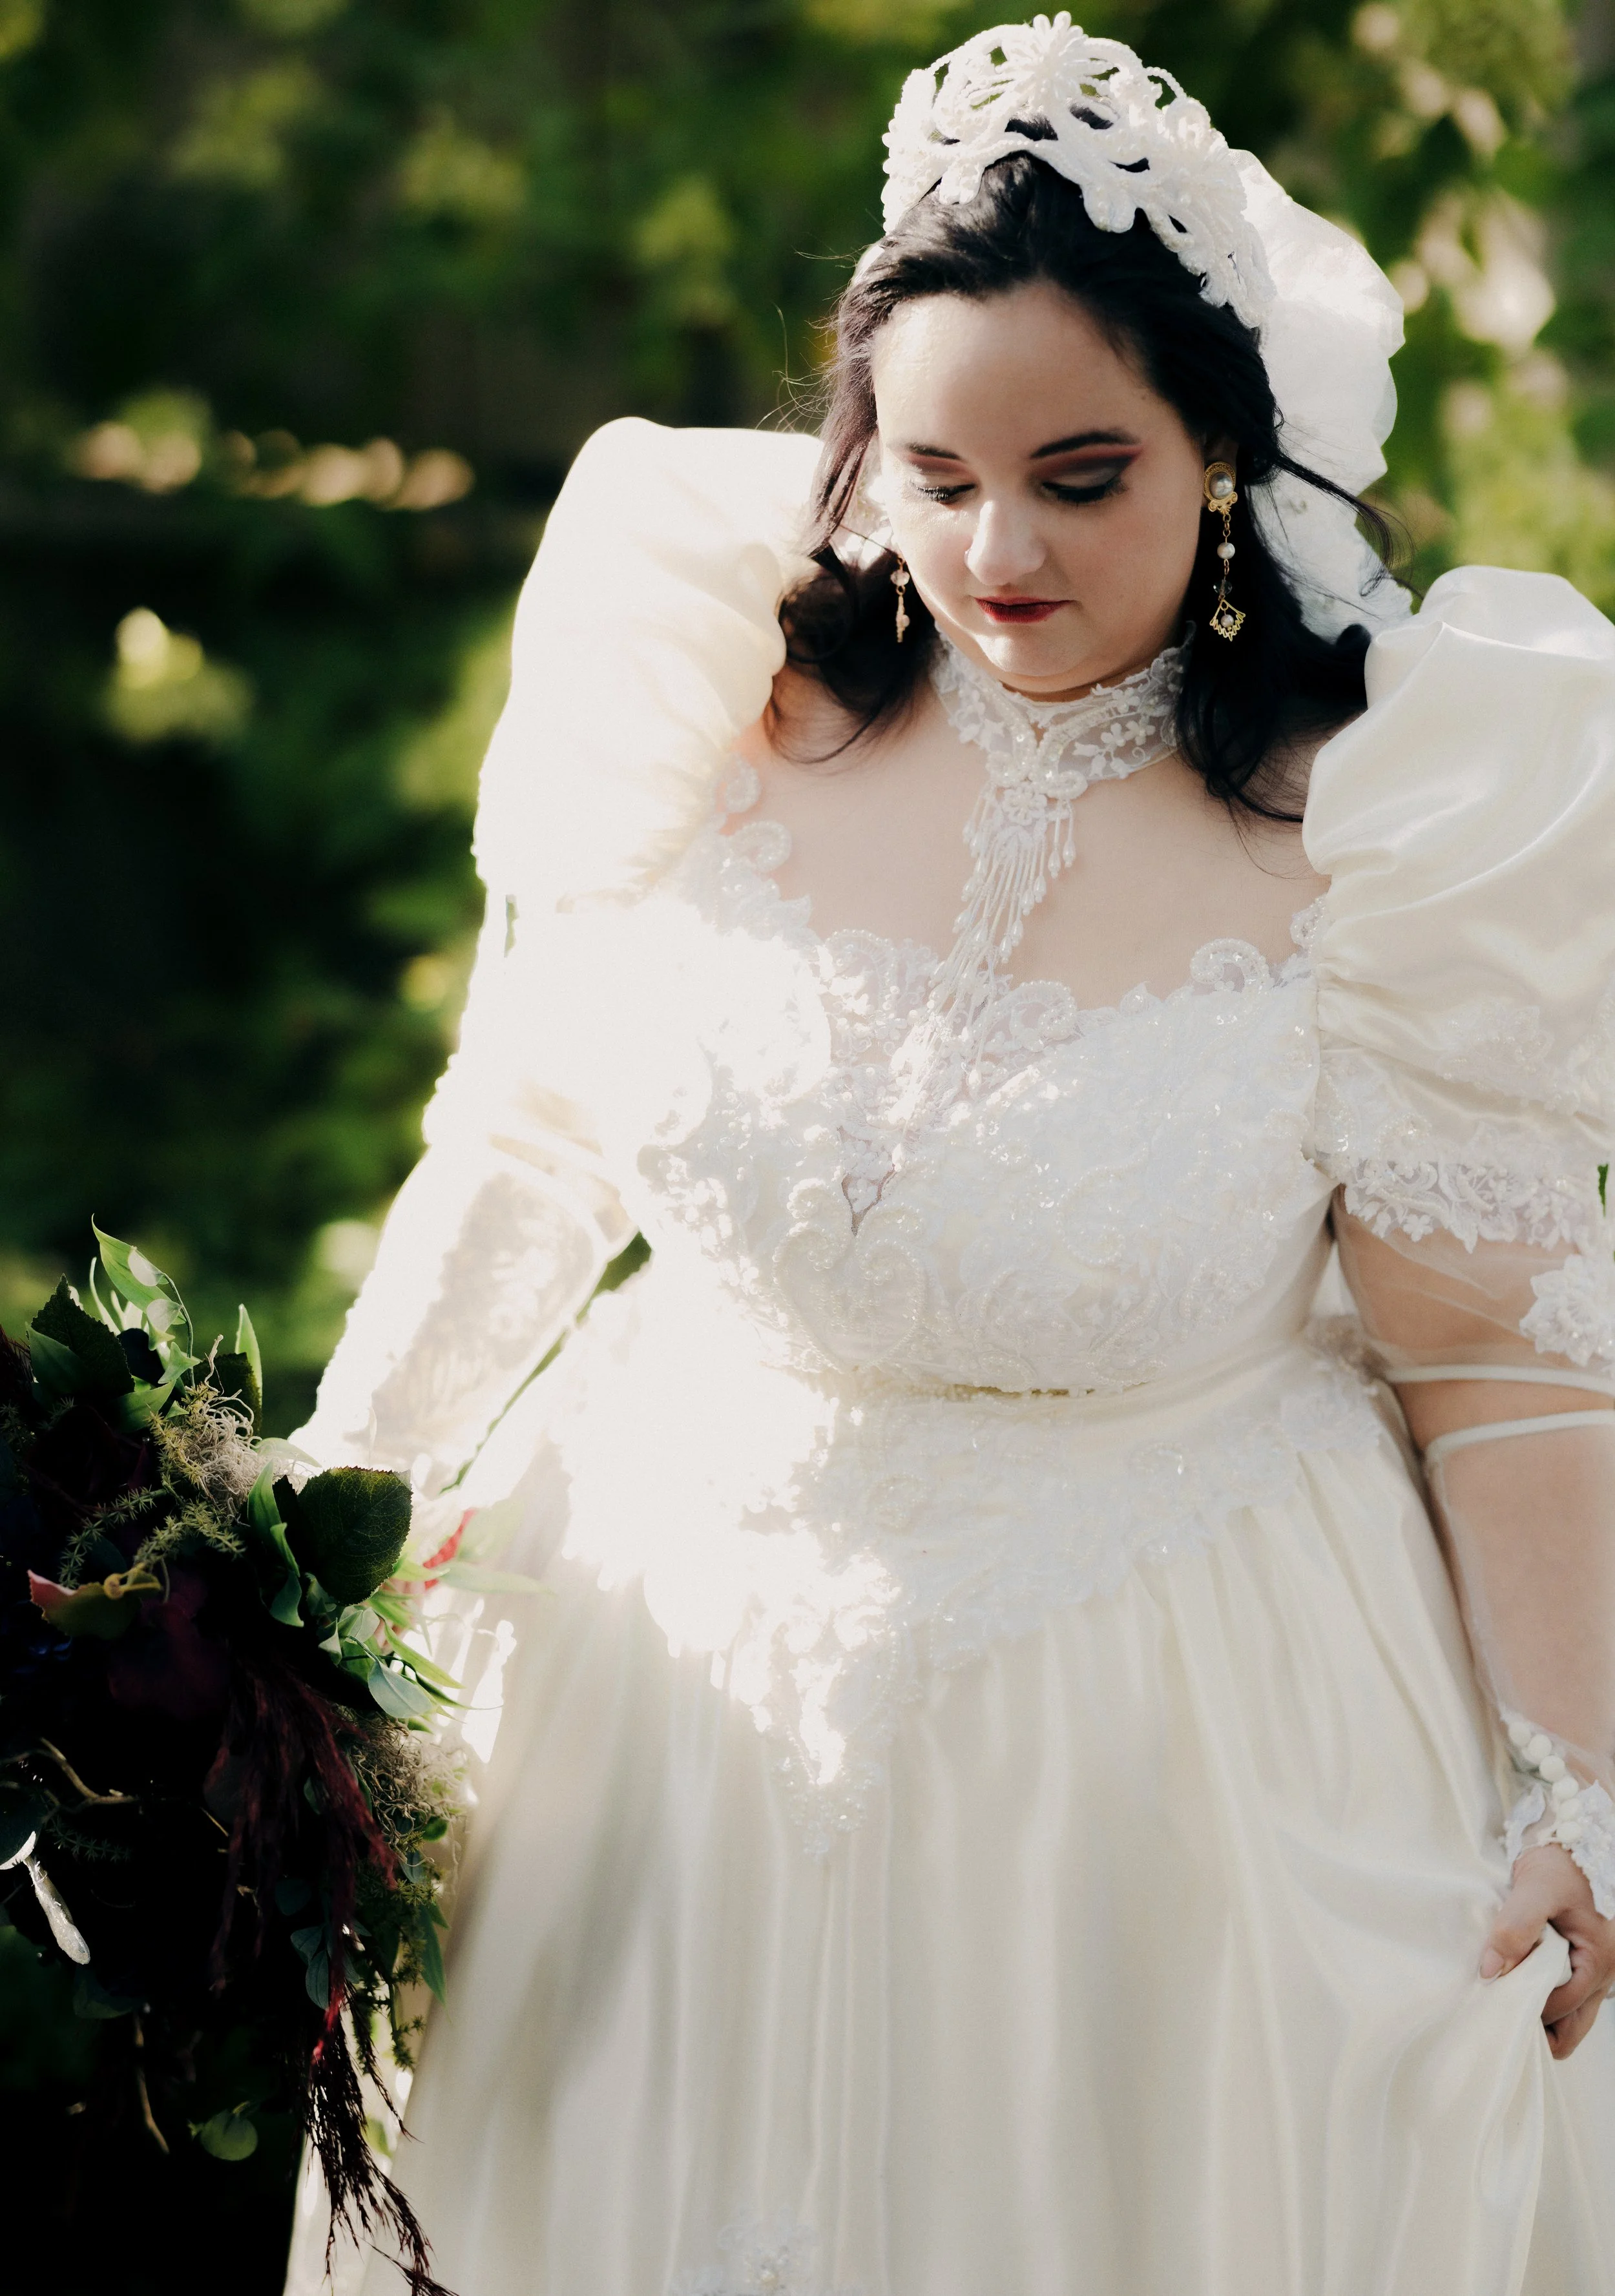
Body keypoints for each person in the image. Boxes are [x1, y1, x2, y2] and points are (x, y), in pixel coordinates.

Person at [284, 17, 1615, 2294]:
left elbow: (1495, 1366)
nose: (997, 548)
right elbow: (523, 1146)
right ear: (860, 459)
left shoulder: (1383, 834)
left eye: (1082, 475)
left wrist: (1580, 1781)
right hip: (648, 1702)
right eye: (934, 472)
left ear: (1219, 449)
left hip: (1163, 1764)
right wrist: (309, 1539)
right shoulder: (715, 696)